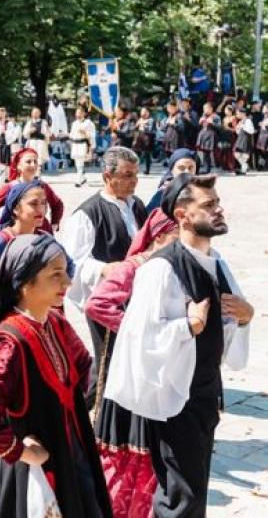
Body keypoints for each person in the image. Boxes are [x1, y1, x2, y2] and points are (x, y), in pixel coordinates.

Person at [104, 174, 252, 517]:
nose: (219, 210)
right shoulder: (160, 269)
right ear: (183, 215)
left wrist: (244, 318)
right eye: (209, 205)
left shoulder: (217, 263)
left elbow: (229, 326)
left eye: (217, 203)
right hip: (174, 399)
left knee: (192, 489)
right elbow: (141, 339)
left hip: (205, 394)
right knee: (179, 495)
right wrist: (187, 326)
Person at [0, 234, 112, 517]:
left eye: (65, 272)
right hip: (31, 471)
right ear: (25, 283)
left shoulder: (55, 322)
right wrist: (20, 451)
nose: (67, 282)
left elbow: (86, 371)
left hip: (70, 452)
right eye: (56, 275)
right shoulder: (9, 341)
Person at [84, 209, 178, 518]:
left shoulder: (174, 268)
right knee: (127, 450)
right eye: (177, 237)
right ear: (160, 236)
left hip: (160, 373)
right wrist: (139, 332)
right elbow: (97, 304)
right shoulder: (132, 268)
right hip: (131, 373)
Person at [62, 146, 146, 406]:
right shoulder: (88, 214)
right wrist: (103, 268)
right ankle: (85, 415)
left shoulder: (136, 205)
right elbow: (71, 261)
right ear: (108, 176)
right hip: (106, 302)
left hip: (138, 296)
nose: (134, 181)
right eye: (128, 175)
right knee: (108, 363)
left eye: (136, 174)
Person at [0, 180, 48, 301]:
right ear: (16, 209)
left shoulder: (44, 239)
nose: (41, 209)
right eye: (33, 204)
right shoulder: (1, 241)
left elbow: (67, 270)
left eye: (43, 203)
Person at [0, 148, 64, 234]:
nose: (33, 165)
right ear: (19, 166)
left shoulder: (42, 185)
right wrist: (5, 228)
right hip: (20, 235)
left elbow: (57, 204)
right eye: (28, 162)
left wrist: (54, 223)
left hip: (42, 232)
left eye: (35, 161)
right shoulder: (11, 187)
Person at [145, 148, 200, 213]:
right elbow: (148, 215)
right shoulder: (164, 193)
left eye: (191, 168)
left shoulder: (201, 190)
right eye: (181, 168)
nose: (187, 172)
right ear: (172, 170)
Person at [69, 106, 97, 186]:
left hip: (83, 144)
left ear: (84, 113)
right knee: (77, 162)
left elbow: (92, 136)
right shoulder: (74, 123)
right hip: (75, 144)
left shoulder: (88, 123)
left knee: (80, 162)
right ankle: (83, 177)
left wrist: (84, 132)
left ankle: (78, 181)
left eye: (80, 113)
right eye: (77, 113)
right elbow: (71, 135)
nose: (78, 115)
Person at [233, 107, 256, 174]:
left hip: (246, 139)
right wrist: (238, 128)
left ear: (243, 113)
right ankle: (244, 166)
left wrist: (243, 127)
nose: (237, 115)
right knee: (236, 153)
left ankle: (243, 169)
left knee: (245, 155)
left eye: (238, 113)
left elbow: (252, 131)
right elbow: (238, 132)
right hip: (240, 138)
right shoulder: (241, 121)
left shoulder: (248, 120)